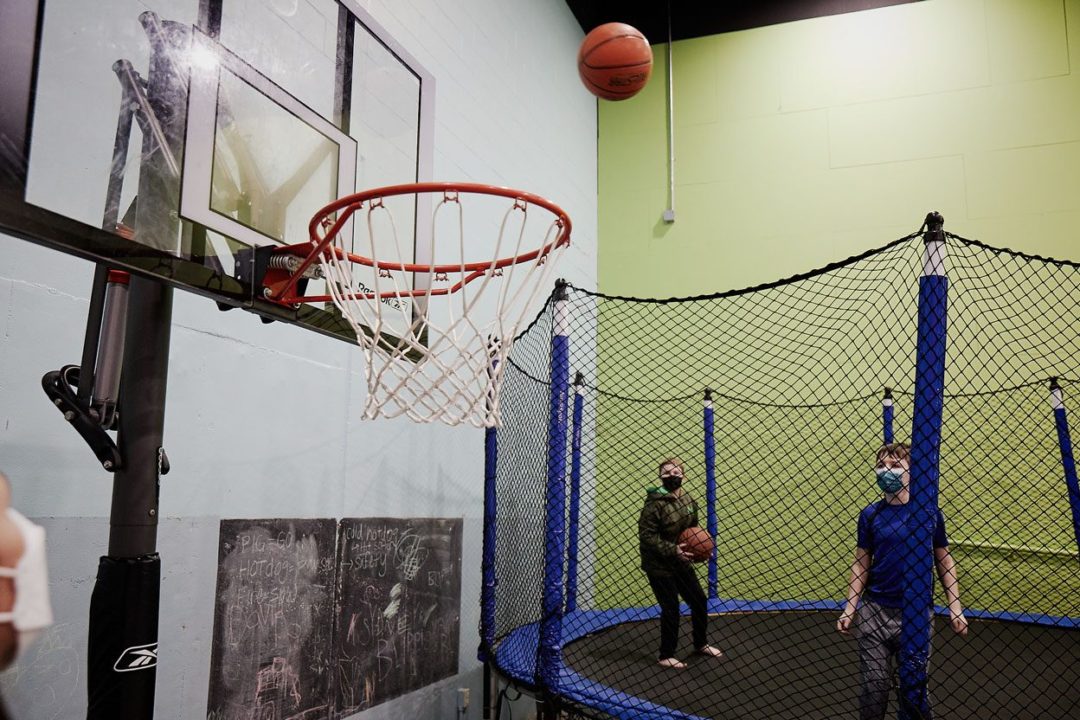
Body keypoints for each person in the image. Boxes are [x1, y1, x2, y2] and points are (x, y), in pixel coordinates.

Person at [836, 443, 968, 720]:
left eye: (895, 466)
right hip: (874, 612)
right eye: (881, 465)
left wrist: (955, 606)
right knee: (874, 685)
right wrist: (850, 608)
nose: (887, 471)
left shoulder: (928, 513)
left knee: (913, 687)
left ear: (912, 472)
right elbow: (861, 563)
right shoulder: (870, 515)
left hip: (916, 614)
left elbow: (944, 560)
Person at [638, 457, 723, 669]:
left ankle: (700, 644)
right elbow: (646, 537)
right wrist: (673, 549)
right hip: (659, 565)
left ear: (683, 475)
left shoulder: (689, 501)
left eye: (676, 472)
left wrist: (702, 551)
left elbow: (693, 531)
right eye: (666, 472)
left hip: (681, 562)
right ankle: (666, 655)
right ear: (660, 476)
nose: (672, 476)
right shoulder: (653, 504)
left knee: (699, 601)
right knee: (671, 608)